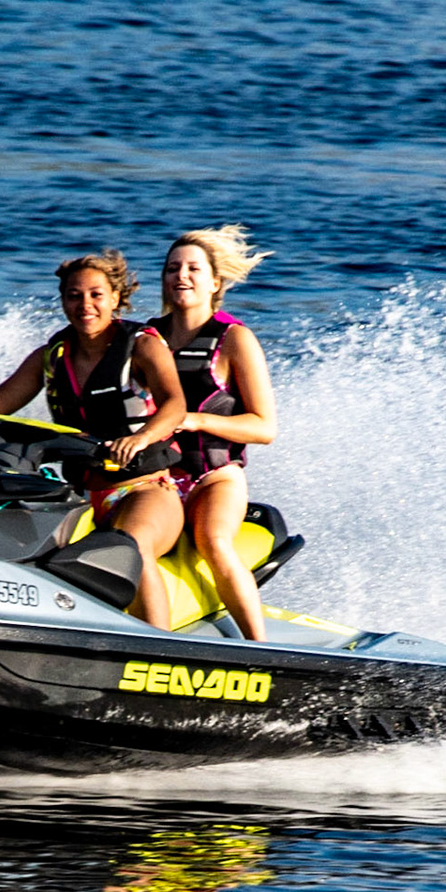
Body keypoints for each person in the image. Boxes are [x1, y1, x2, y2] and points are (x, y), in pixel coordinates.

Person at [0, 250, 186, 628]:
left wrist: (144, 437)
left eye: (97, 294)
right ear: (63, 299)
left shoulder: (143, 346)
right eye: (74, 295)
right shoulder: (52, 355)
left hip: (144, 489)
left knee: (130, 548)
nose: (85, 304)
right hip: (79, 495)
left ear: (116, 298)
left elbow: (175, 405)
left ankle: (162, 649)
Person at [149, 225, 279, 641]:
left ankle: (259, 647)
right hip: (153, 479)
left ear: (215, 282)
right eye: (172, 268)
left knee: (213, 540)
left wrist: (194, 419)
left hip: (213, 478)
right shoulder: (144, 337)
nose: (180, 276)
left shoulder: (234, 339)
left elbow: (264, 427)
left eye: (192, 268)